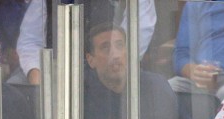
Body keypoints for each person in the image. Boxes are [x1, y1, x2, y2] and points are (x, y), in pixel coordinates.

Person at [17, 0, 157, 85]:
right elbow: (30, 41)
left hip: (107, 73)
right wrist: (39, 79)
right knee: (17, 88)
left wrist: (108, 68)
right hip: (56, 73)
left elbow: (139, 28)